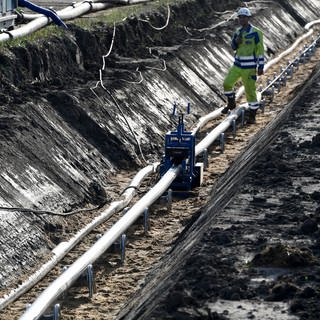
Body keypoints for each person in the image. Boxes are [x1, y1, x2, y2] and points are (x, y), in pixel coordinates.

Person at [222, 7, 264, 124]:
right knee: (227, 84)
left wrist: (261, 66)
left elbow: (260, 50)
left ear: (248, 18)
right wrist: (236, 41)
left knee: (250, 91)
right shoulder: (238, 32)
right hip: (237, 65)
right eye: (240, 17)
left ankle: (252, 115)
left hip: (249, 68)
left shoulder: (256, 32)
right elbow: (233, 47)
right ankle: (231, 103)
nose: (242, 19)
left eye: (244, 17)